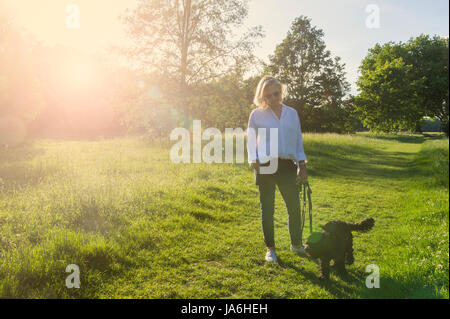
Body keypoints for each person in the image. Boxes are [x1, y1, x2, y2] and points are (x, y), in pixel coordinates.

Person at [247, 75, 308, 263]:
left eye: (276, 93)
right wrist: (253, 160)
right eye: (268, 96)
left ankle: (296, 245)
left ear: (281, 91)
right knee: (268, 208)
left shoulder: (292, 113)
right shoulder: (257, 115)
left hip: (287, 165)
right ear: (262, 96)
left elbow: (298, 141)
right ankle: (270, 249)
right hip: (265, 164)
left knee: (294, 208)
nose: (273, 98)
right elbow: (250, 140)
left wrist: (302, 165)